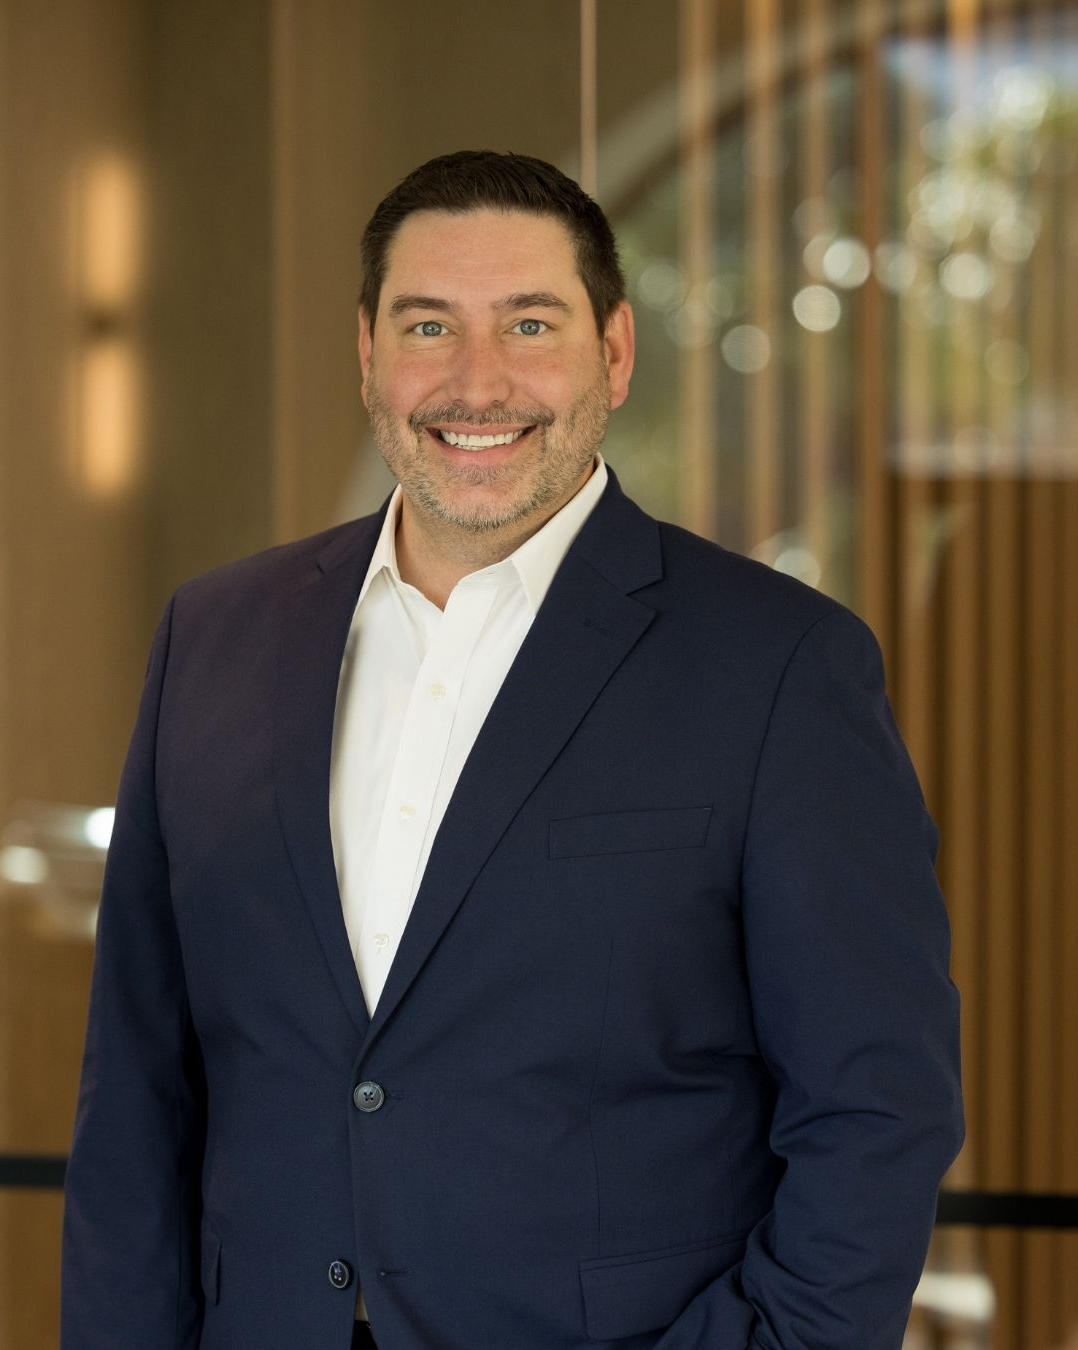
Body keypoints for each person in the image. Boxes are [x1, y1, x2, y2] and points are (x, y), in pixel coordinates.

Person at [61, 150, 963, 1350]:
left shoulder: (781, 667)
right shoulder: (213, 637)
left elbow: (876, 1110)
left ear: (615, 353)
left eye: (530, 324)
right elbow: (136, 1088)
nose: (476, 381)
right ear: (368, 354)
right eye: (428, 325)